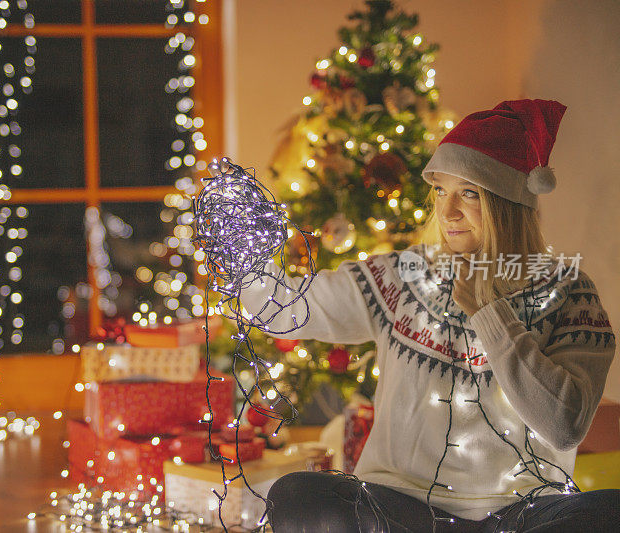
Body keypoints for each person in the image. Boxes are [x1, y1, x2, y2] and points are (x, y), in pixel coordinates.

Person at [240, 99, 619, 532]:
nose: (448, 210)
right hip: (402, 508)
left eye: (469, 193)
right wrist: (241, 257)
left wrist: (489, 314)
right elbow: (286, 307)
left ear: (510, 203)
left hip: (523, 512)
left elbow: (565, 425)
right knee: (298, 495)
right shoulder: (403, 275)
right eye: (440, 190)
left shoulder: (568, 292)